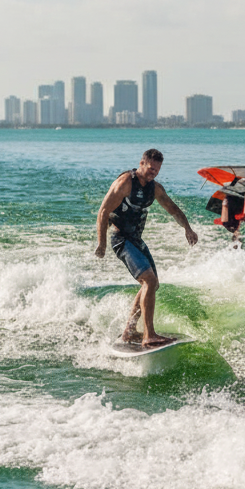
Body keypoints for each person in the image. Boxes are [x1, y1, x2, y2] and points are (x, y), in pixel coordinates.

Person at [95, 149, 199, 347]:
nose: (154, 173)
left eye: (157, 170)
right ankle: (148, 335)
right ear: (141, 163)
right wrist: (102, 243)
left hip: (136, 239)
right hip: (120, 238)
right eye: (151, 168)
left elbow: (172, 208)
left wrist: (188, 229)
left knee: (152, 284)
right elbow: (103, 211)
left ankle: (130, 330)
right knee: (149, 281)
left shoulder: (155, 188)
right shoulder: (125, 183)